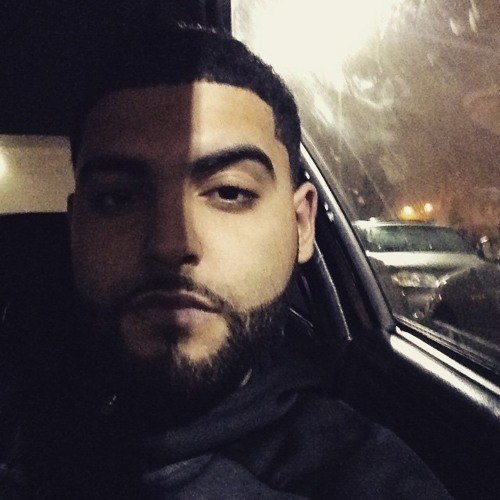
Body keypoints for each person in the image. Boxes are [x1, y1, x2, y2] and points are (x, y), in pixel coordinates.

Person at [0, 24, 452, 499]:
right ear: (74, 228)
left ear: (301, 225)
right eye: (117, 198)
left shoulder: (364, 483)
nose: (172, 244)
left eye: (231, 192)